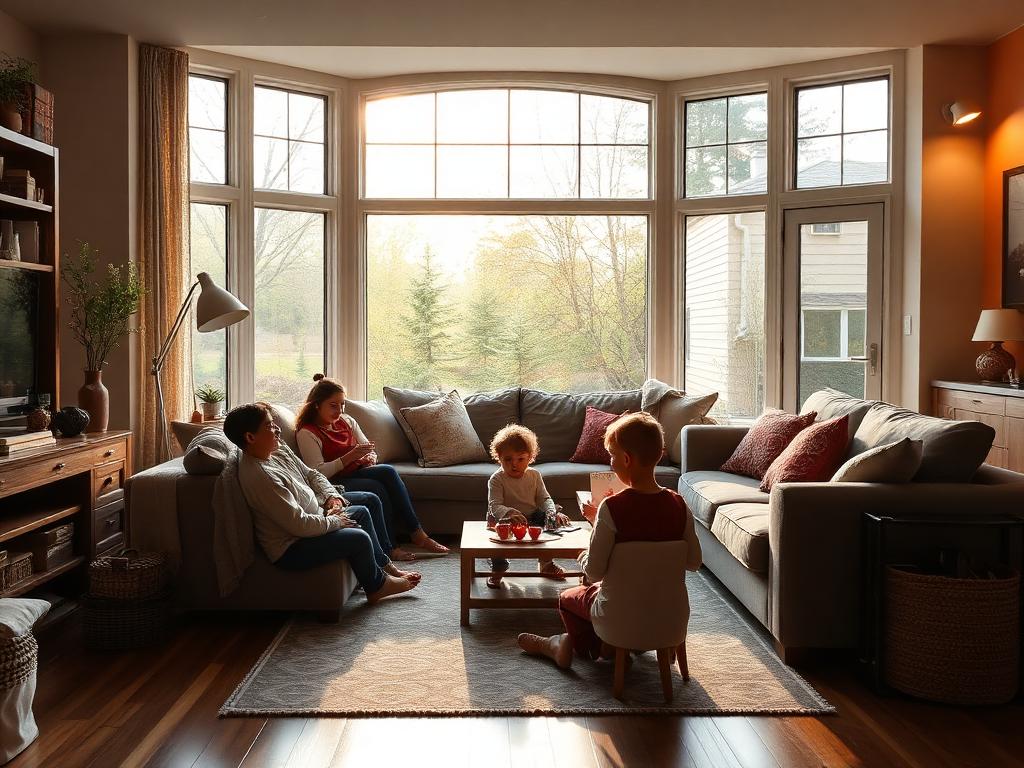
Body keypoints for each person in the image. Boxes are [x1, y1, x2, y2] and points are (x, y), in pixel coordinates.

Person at [517, 412, 702, 668]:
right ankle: (637, 647)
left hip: (619, 618)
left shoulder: (613, 507)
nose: (611, 463)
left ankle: (563, 644)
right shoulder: (679, 504)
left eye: (612, 456)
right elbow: (693, 562)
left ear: (626, 459)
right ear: (659, 454)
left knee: (569, 596)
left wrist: (586, 550)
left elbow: (593, 572)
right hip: (671, 619)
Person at [224, 402, 421, 604]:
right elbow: (299, 525)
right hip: (292, 546)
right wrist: (336, 521)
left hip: (317, 512)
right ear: (250, 437)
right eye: (269, 426)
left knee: (362, 509)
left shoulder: (277, 449)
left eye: (274, 423)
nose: (277, 429)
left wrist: (331, 497)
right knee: (358, 538)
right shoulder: (261, 478)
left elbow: (311, 474)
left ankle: (384, 568)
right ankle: (377, 587)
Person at [294, 375, 449, 561]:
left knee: (387, 471)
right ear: (317, 405)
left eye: (342, 404)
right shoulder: (307, 433)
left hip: (355, 472)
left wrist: (370, 458)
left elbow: (368, 448)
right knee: (376, 488)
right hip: (333, 483)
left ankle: (416, 533)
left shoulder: (347, 421)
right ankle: (391, 547)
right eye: (333, 405)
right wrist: (350, 457)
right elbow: (317, 473)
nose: (340, 410)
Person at [486, 424, 571, 589]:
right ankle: (498, 569)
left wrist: (551, 512)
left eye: (520, 459)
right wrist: (509, 513)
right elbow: (495, 505)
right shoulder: (497, 479)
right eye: (508, 459)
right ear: (499, 458)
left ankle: (546, 562)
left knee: (549, 523)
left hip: (531, 515)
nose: (514, 465)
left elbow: (544, 498)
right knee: (498, 542)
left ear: (530, 457)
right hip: (504, 518)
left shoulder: (534, 475)